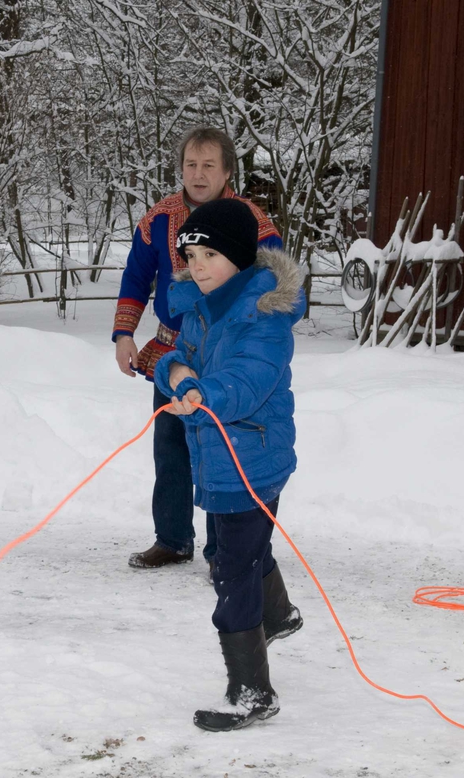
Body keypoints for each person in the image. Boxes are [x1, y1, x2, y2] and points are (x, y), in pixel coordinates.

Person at [153, 198, 305, 731]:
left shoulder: (263, 317)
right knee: (241, 548)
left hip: (252, 460)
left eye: (210, 254)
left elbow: (247, 382)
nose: (197, 265)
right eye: (190, 253)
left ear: (240, 257)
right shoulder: (201, 307)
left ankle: (251, 692)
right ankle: (280, 614)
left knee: (232, 568)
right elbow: (178, 358)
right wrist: (175, 372)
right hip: (217, 458)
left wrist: (203, 393)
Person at [113, 126, 284, 571]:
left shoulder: (252, 221)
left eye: (209, 165)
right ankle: (172, 538)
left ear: (227, 169)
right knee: (170, 448)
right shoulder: (159, 219)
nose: (198, 173)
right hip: (176, 353)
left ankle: (221, 551)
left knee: (222, 451)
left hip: (228, 355)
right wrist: (125, 333)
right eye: (191, 164)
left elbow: (276, 280)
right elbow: (136, 277)